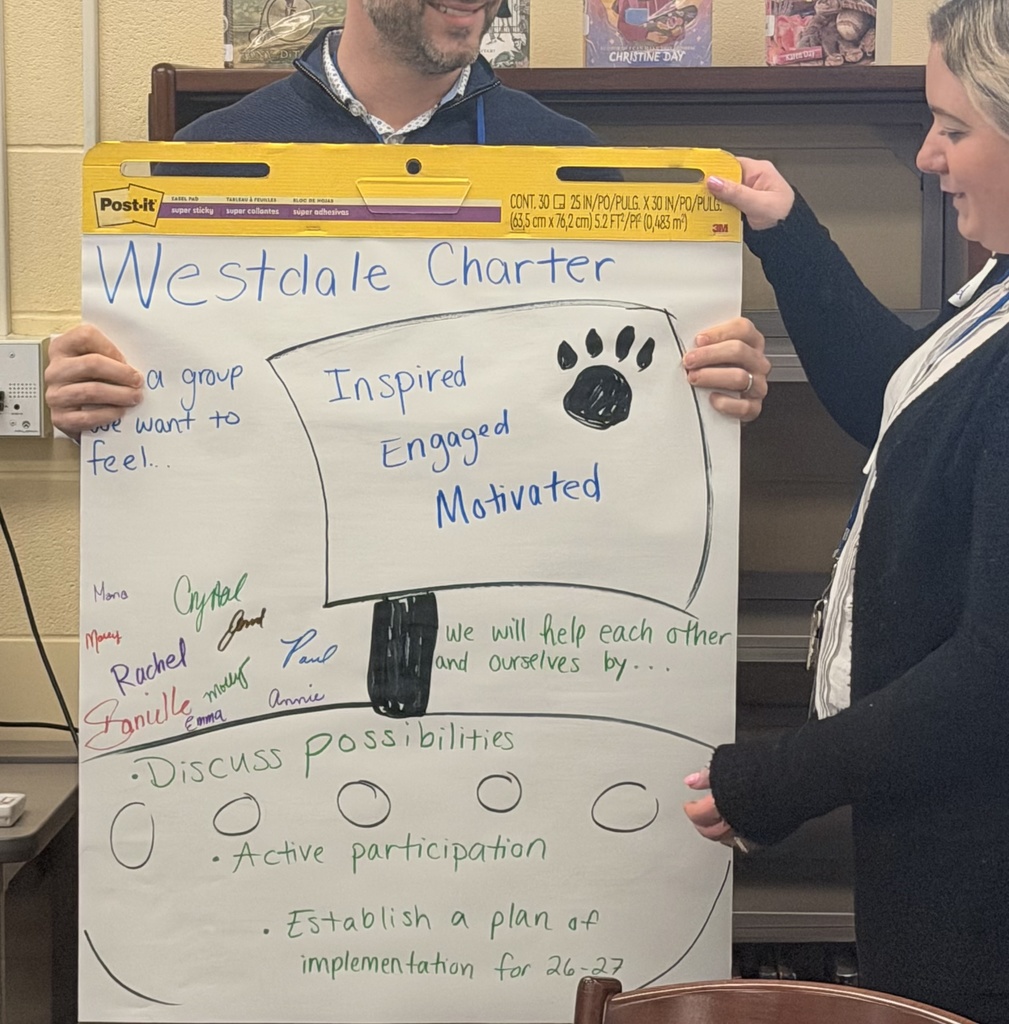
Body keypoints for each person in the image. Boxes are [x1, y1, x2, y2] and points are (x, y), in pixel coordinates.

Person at [683, 0, 1009, 1020]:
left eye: (953, 129)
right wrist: (790, 236)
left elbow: (989, 675)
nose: (926, 155)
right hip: (937, 856)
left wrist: (776, 781)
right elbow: (900, 405)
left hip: (983, 897)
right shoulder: (995, 293)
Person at [45, 0, 769, 437]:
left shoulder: (565, 161)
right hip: (271, 616)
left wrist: (709, 378)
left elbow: (645, 412)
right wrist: (91, 403)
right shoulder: (209, 162)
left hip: (513, 617)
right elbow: (154, 426)